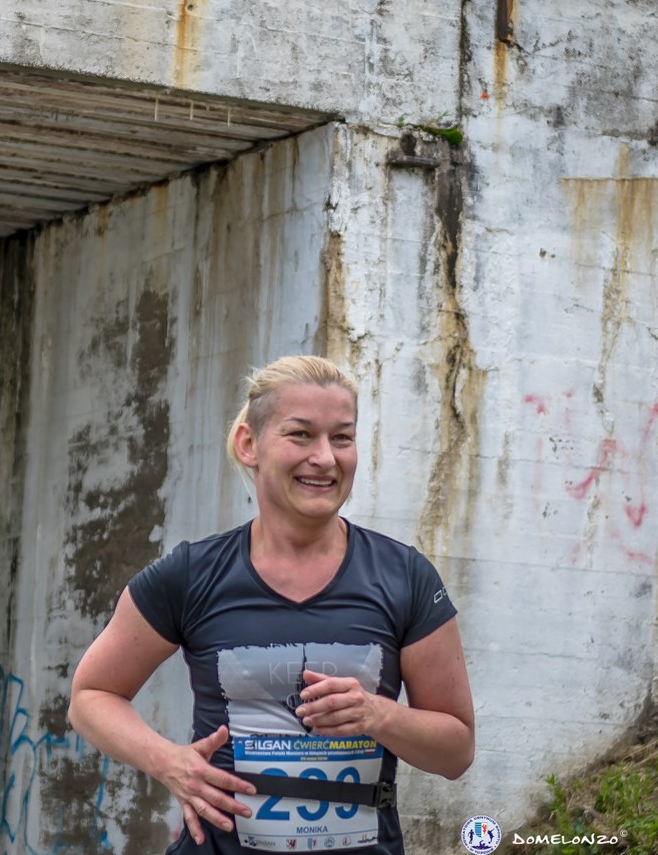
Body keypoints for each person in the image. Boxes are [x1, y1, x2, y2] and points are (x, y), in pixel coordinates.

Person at [69, 355, 474, 855]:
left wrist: (377, 715)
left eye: (342, 438)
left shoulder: (405, 576)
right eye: (300, 435)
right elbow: (91, 696)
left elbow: (457, 751)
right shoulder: (192, 574)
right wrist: (167, 760)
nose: (325, 457)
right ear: (249, 444)